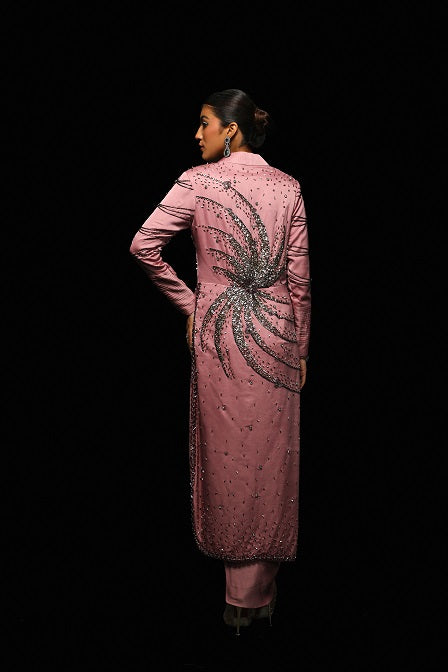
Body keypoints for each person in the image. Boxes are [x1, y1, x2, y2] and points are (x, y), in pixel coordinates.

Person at [129, 88, 311, 635]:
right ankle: (258, 595)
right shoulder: (288, 187)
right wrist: (302, 346)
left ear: (230, 130)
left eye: (204, 123)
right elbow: (299, 281)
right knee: (269, 460)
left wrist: (192, 304)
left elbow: (143, 245)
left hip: (222, 333)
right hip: (279, 335)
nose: (197, 133)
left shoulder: (196, 182)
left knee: (232, 456)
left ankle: (241, 601)